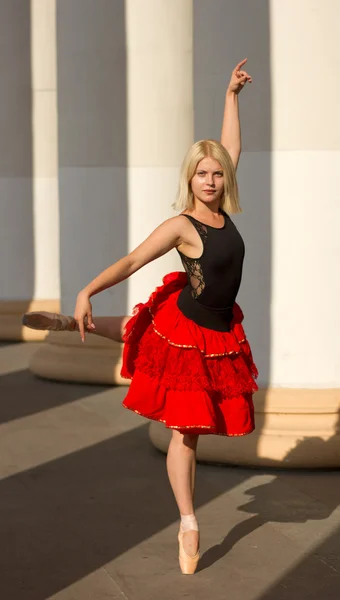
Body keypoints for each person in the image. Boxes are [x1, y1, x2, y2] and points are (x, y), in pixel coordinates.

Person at [22, 59, 257, 575]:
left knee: (136, 333)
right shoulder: (182, 224)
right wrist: (86, 288)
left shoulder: (224, 208)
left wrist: (231, 96)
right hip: (190, 324)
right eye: (203, 173)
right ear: (190, 179)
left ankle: (69, 325)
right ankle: (189, 521)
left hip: (219, 327)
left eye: (218, 173)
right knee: (185, 430)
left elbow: (229, 147)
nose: (213, 179)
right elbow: (132, 262)